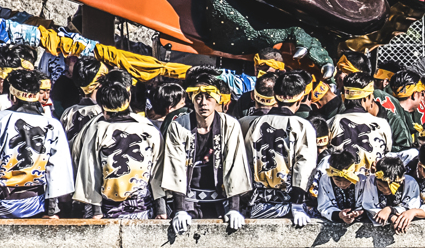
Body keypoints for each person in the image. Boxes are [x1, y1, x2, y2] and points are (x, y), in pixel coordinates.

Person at [0, 69, 73, 222]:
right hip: (37, 203)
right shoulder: (52, 124)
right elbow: (57, 170)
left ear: (12, 96)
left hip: (2, 202)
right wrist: (52, 209)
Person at [162, 74, 250, 236]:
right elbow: (175, 166)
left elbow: (235, 165)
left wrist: (234, 208)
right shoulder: (178, 126)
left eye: (209, 97)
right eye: (198, 97)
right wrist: (179, 209)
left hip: (221, 199)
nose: (203, 103)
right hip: (188, 199)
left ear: (217, 99)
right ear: (191, 99)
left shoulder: (229, 125)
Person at [74, 71, 166, 220]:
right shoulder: (148, 127)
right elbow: (158, 171)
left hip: (111, 209)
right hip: (141, 208)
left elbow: (90, 171)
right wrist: (161, 209)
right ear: (128, 98)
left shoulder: (97, 128)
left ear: (103, 105)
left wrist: (96, 211)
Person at [243, 71, 316, 225]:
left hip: (256, 203)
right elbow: (305, 165)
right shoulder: (302, 125)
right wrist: (297, 203)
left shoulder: (256, 123)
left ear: (275, 95)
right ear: (301, 97)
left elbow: (246, 161)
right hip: (289, 205)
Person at [328, 72, 393, 176]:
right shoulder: (382, 124)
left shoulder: (332, 123)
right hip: (372, 184)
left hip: (339, 182)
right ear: (367, 97)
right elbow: (387, 153)